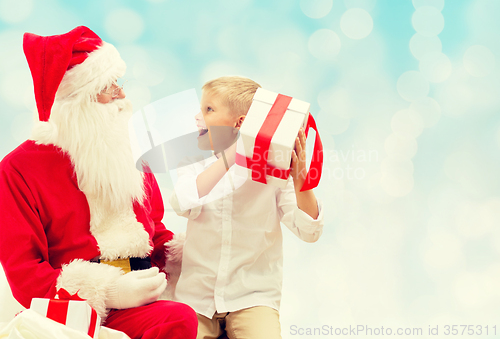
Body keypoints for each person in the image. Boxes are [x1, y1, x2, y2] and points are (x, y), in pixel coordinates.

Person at [0, 26, 197, 339]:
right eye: (108, 87)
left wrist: (197, 251)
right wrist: (110, 291)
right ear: (77, 101)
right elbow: (25, 275)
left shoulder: (128, 152)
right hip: (74, 314)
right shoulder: (18, 169)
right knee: (178, 319)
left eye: (119, 83)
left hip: (146, 298)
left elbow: (154, 232)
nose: (122, 96)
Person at [169, 76, 324, 339]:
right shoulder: (194, 160)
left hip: (253, 295)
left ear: (239, 123)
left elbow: (310, 232)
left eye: (208, 109)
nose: (197, 117)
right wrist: (234, 154)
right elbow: (183, 201)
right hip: (196, 297)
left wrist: (300, 180)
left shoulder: (274, 170)